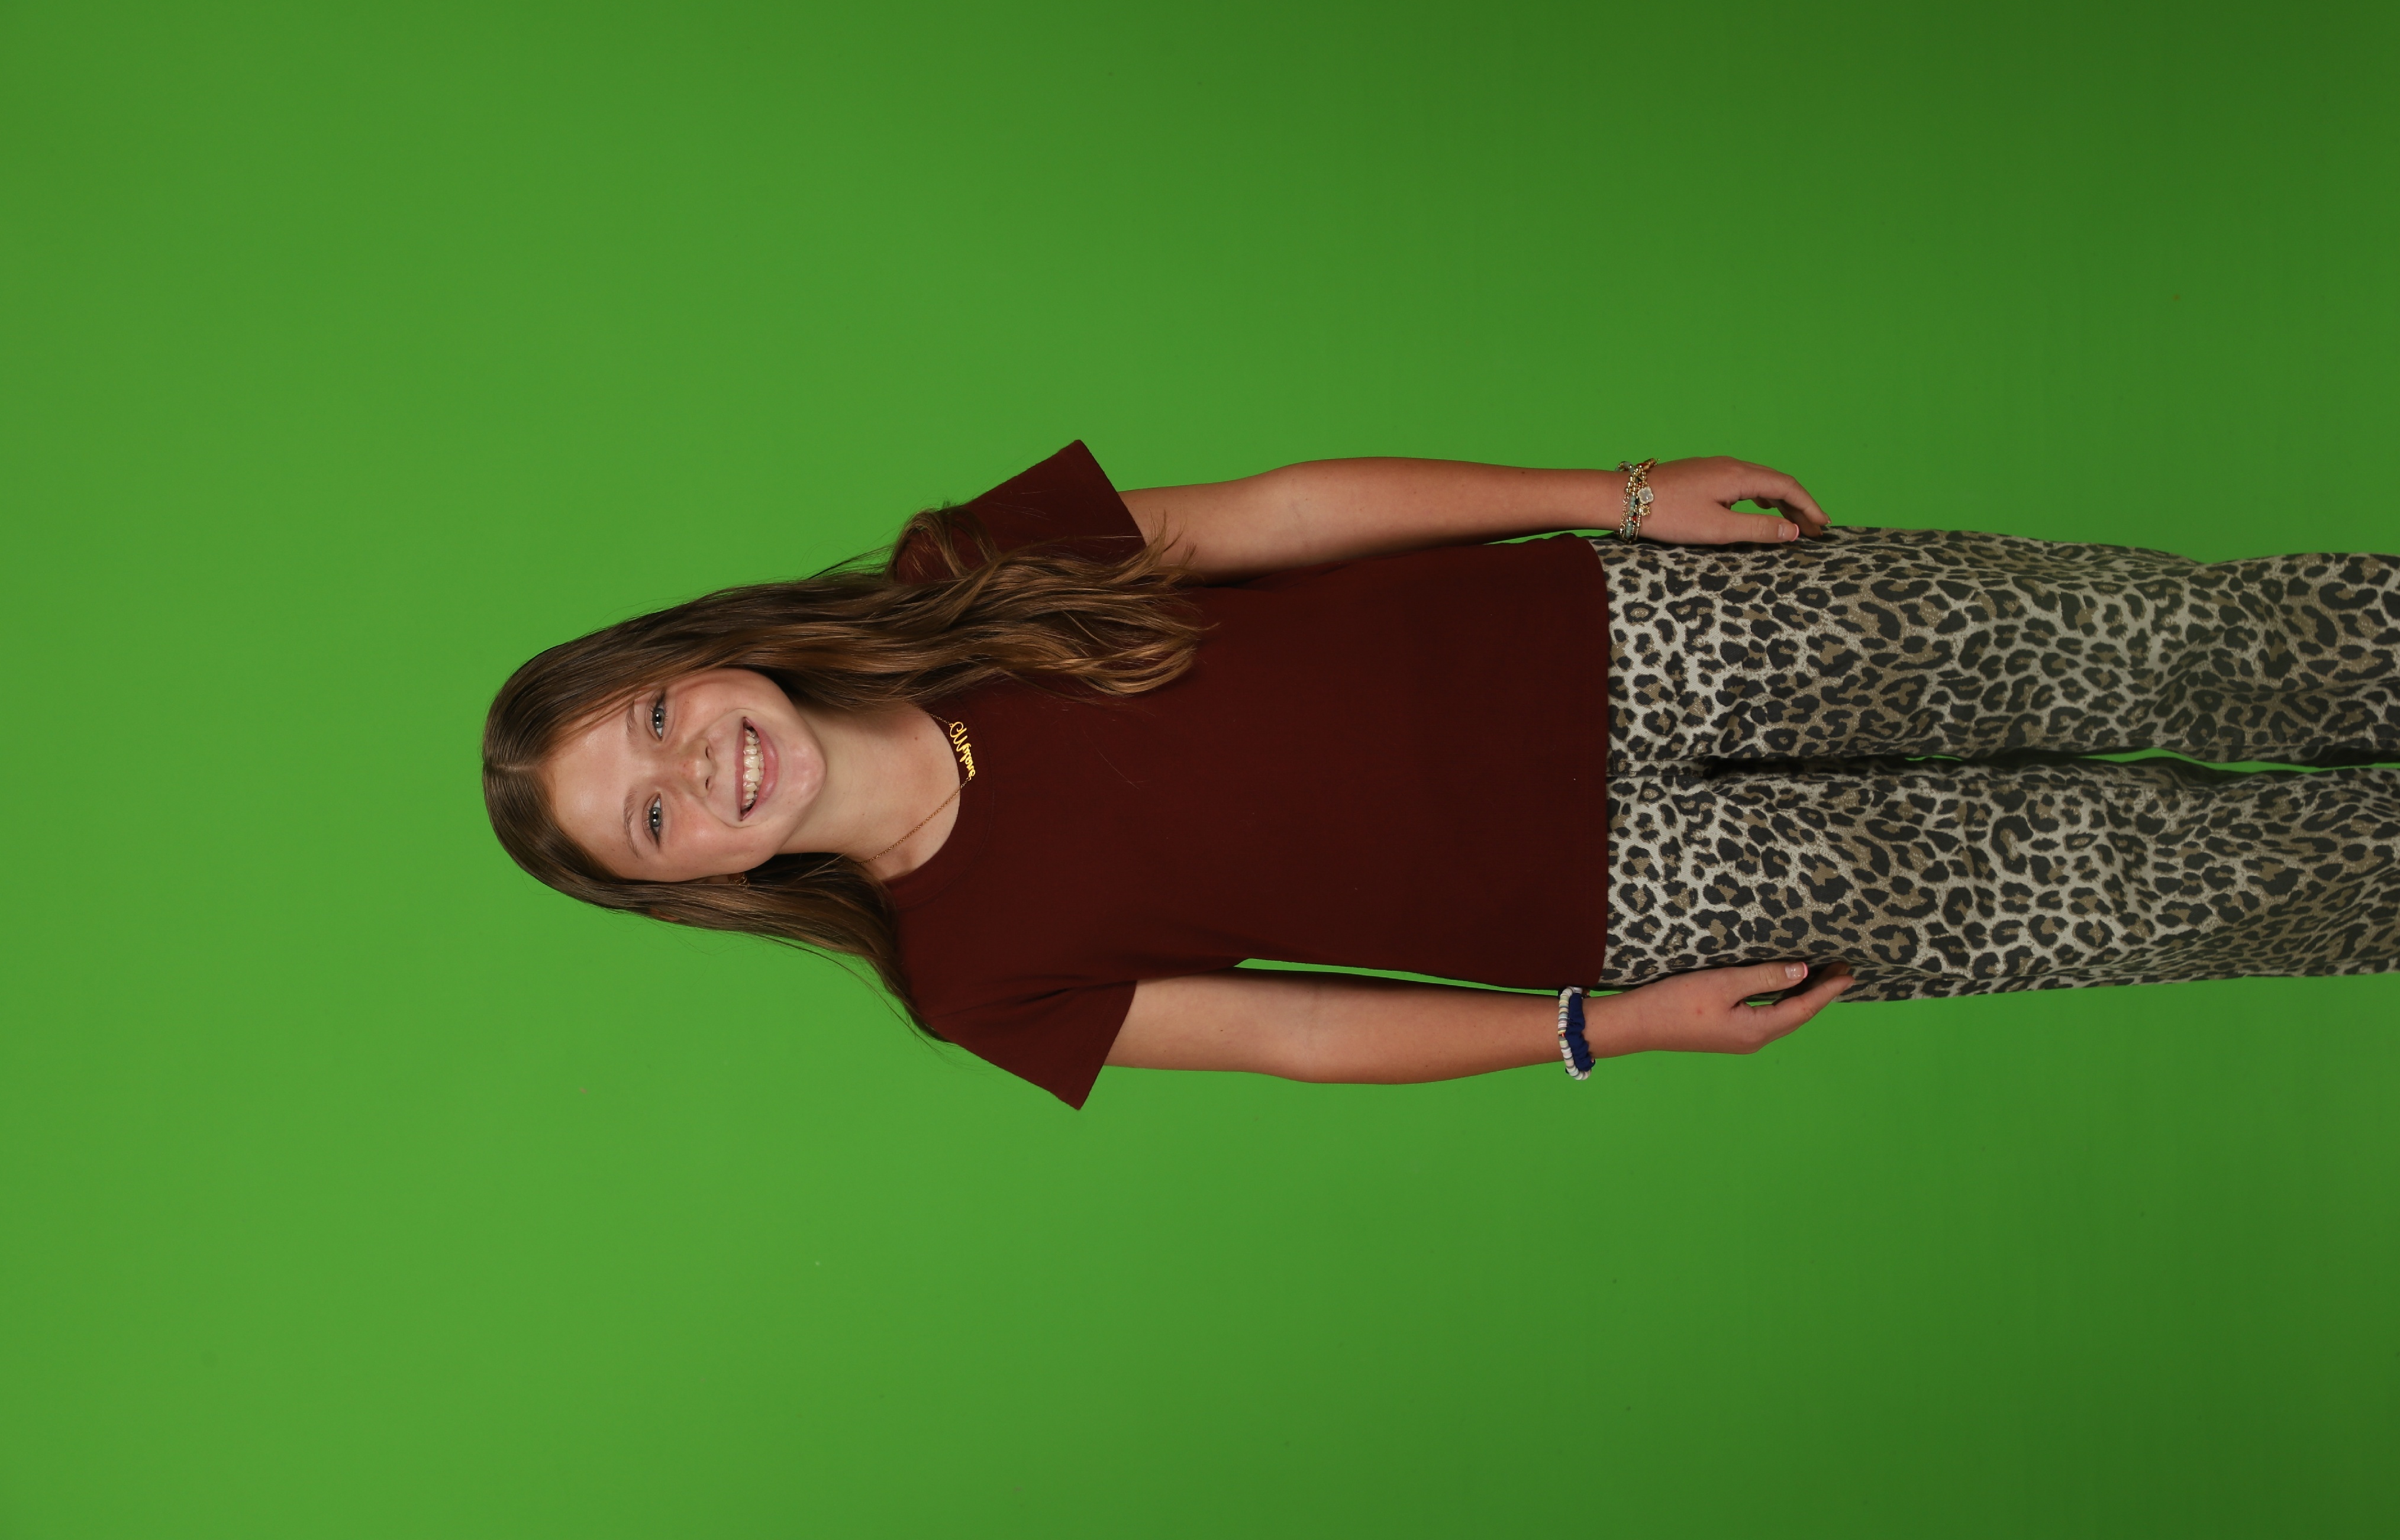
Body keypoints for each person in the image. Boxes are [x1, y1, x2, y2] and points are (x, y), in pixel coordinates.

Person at [483, 443, 2400, 1106]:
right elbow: (1295, 1032)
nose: (694, 768)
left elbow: (1284, 515)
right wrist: (1603, 1028)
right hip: (1646, 902)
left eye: (650, 717)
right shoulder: (967, 980)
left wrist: (1616, 495)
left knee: (2159, 639)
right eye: (650, 819)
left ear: (687, 655)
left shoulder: (958, 574)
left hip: (1644, 625)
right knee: (2169, 887)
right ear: (690, 883)